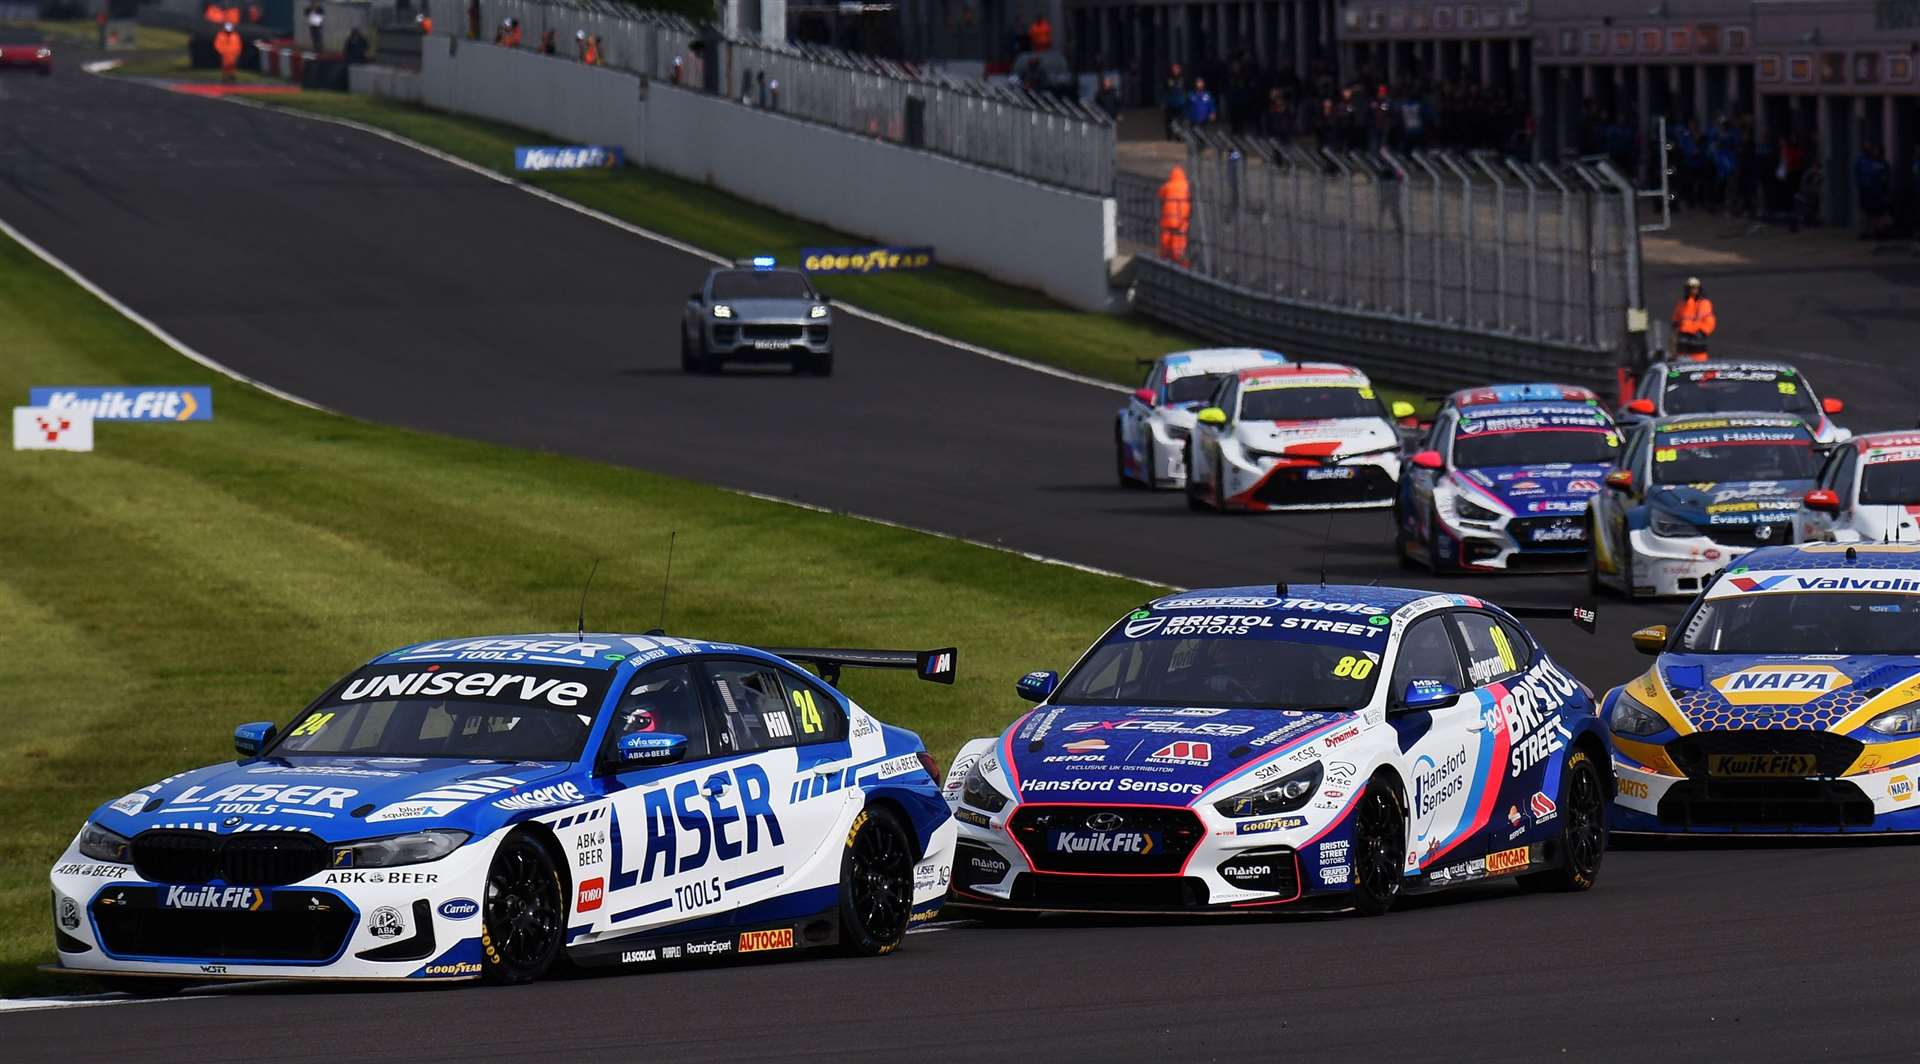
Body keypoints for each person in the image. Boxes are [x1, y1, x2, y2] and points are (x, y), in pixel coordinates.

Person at [1670, 277, 1716, 359]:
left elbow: (1709, 320)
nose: (1693, 290)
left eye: (1695, 288)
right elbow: (1676, 317)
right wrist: (1675, 325)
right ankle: (1677, 372)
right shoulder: (1682, 303)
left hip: (1697, 336)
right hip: (1683, 337)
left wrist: (1703, 331)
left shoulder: (1704, 303)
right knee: (1680, 361)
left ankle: (1701, 371)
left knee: (1699, 360)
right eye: (1690, 288)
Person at [1856, 141, 1893, 238]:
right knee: (1869, 212)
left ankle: (1878, 230)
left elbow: (1885, 178)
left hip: (1877, 191)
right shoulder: (1864, 162)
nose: (1874, 152)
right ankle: (1869, 231)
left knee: (1877, 212)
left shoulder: (1880, 164)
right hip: (1868, 191)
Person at [1157, 164, 1191, 266]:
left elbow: (1160, 194)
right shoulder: (1186, 186)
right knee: (1179, 236)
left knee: (1166, 235)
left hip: (1168, 217)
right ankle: (1179, 256)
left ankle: (1165, 254)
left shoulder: (1168, 185)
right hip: (1182, 217)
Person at [1162, 62, 1187, 140]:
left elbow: (1186, 90)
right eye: (1174, 69)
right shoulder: (1167, 78)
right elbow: (1164, 90)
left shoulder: (1183, 78)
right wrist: (1163, 102)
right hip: (1170, 103)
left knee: (1180, 121)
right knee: (1168, 120)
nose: (1175, 70)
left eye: (1177, 69)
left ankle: (1178, 135)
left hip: (1180, 103)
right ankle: (1169, 136)